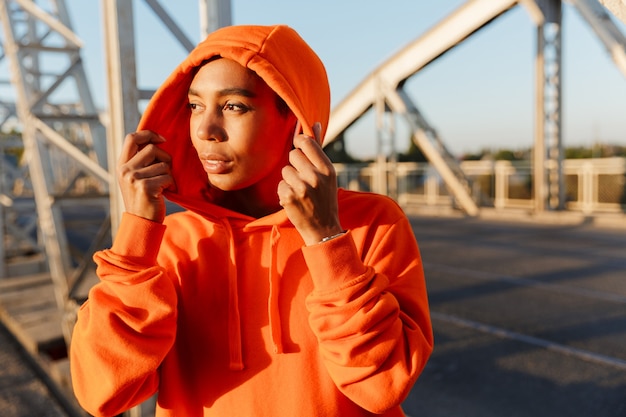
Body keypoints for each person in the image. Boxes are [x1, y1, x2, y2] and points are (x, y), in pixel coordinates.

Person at [70, 24, 433, 417]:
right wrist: (136, 236)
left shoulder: (371, 224)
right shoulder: (170, 242)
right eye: (195, 106)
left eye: (233, 106)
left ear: (296, 121)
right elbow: (101, 392)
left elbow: (382, 386)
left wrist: (327, 240)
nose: (205, 131)